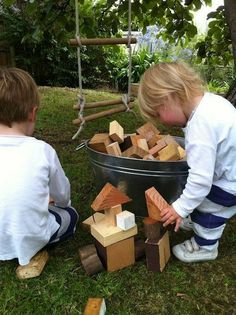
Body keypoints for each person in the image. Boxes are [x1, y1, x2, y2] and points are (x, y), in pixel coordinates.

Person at [138, 61, 236, 263]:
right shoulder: (211, 102)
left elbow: (200, 181)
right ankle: (195, 217)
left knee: (210, 206)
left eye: (158, 113)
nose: (161, 121)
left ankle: (205, 245)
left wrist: (179, 209)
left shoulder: (201, 126)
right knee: (194, 193)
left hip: (230, 185)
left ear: (168, 98)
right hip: (229, 172)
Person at [0, 67, 79, 266]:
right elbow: (62, 195)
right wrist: (59, 203)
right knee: (71, 214)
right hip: (31, 237)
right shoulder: (42, 150)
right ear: (32, 114)